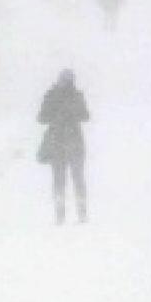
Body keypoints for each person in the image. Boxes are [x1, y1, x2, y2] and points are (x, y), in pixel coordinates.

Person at [37, 69, 91, 224]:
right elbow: (85, 116)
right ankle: (81, 214)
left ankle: (61, 215)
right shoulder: (75, 96)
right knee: (77, 178)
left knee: (60, 179)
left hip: (58, 142)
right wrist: (71, 112)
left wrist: (55, 114)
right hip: (73, 142)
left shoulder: (52, 95)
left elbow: (41, 118)